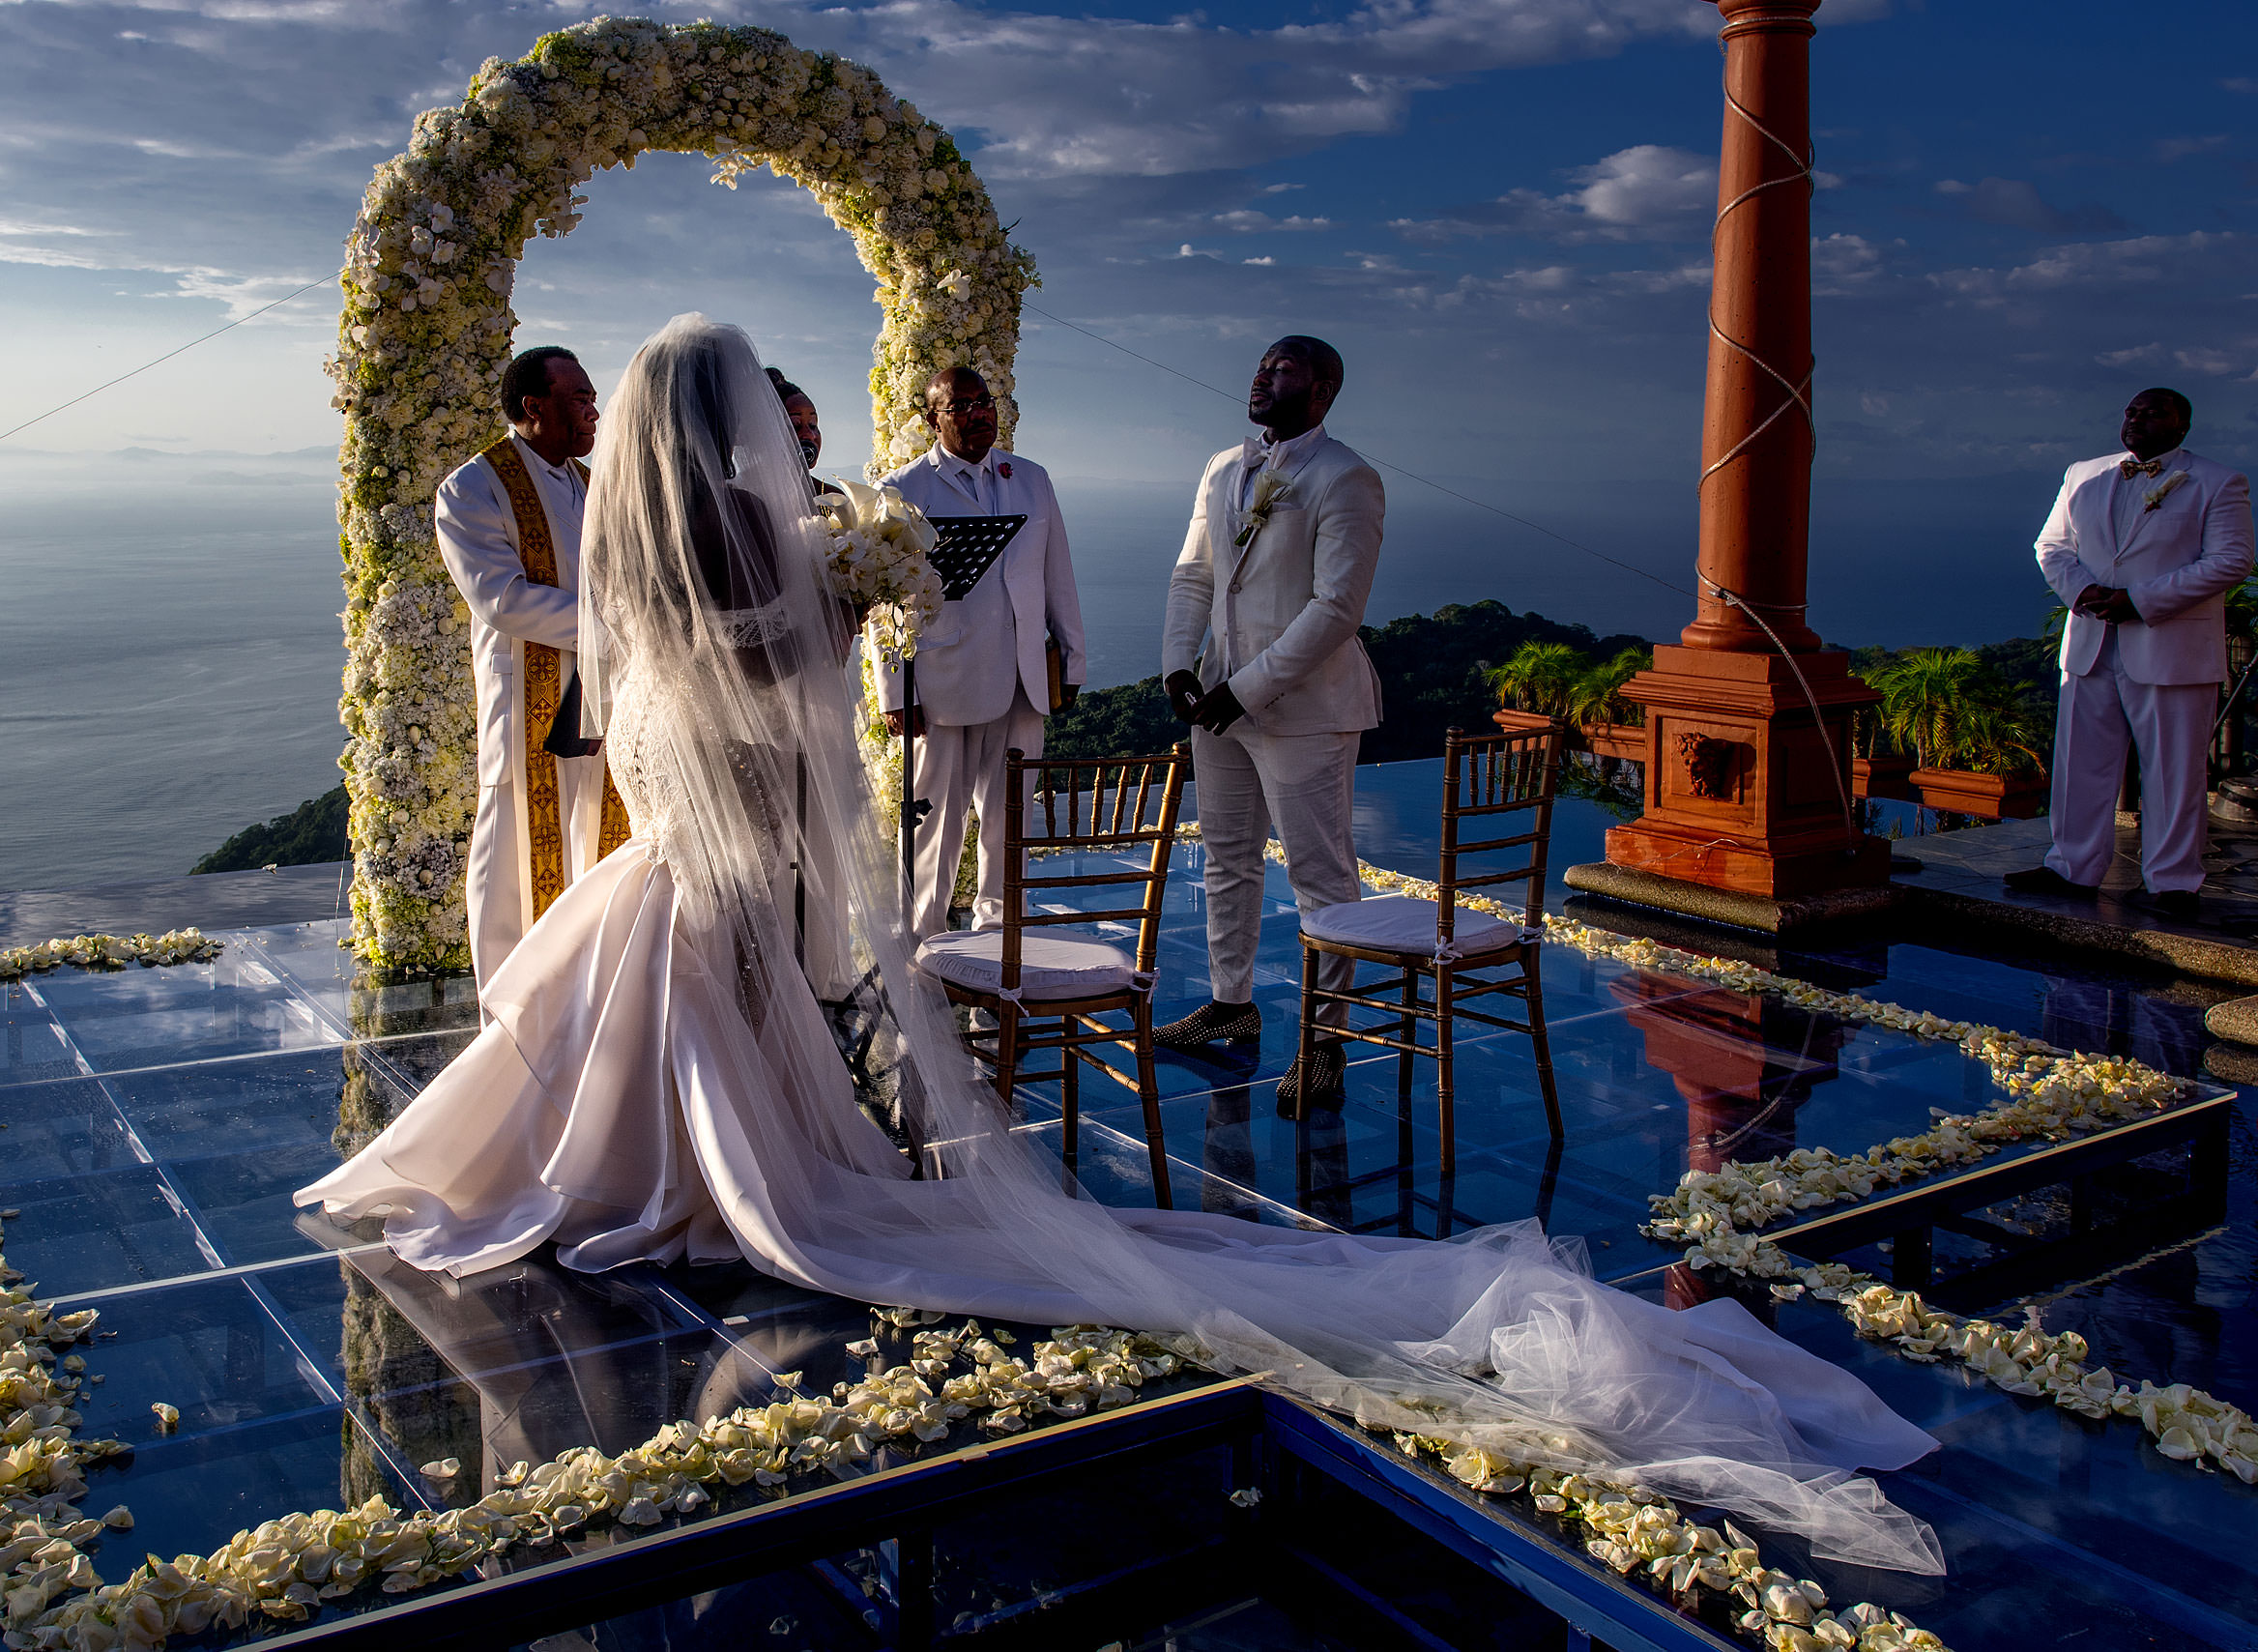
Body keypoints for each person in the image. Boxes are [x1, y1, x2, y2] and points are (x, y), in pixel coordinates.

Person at [300, 315, 1941, 1579]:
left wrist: (850, 600)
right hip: (745, 814)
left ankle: (663, 1175)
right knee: (738, 993)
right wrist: (849, 592)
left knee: (656, 991)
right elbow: (762, 661)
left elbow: (672, 674)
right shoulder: (747, 537)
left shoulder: (643, 540)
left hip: (697, 818)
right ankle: (705, 1169)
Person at [1155, 336, 1385, 1107]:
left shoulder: (1347, 478)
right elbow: (1194, 572)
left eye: (1281, 368)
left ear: (1322, 390)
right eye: (1259, 363)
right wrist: (1179, 664)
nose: (1260, 374)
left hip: (1306, 711)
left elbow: (1336, 609)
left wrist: (1248, 687)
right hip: (1219, 701)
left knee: (1320, 877)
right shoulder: (1225, 467)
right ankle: (1231, 1002)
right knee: (1227, 856)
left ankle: (1325, 1043)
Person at [2009, 388, 2253, 918]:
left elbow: (2231, 560)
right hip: (2092, 642)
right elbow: (2051, 545)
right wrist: (2083, 594)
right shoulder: (2083, 474)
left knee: (2172, 769)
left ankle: (2173, 883)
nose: (2137, 419)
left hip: (2170, 648)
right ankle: (2071, 867)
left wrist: (2141, 601)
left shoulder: (2216, 482)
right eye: (2132, 411)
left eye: (2153, 412)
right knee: (2080, 764)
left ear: (2181, 425)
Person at [434, 345, 630, 996]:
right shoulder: (474, 486)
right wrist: (616, 625)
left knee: (596, 825)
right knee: (516, 845)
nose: (594, 411)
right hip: (530, 696)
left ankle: (585, 991)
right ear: (533, 407)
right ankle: (512, 1006)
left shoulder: (591, 482)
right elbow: (502, 597)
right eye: (580, 398)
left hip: (601, 690)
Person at [872, 366, 1086, 936]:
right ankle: (925, 937)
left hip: (1023, 677)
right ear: (932, 419)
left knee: (1010, 815)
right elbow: (882, 605)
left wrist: (1072, 657)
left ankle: (999, 933)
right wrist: (895, 690)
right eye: (961, 406)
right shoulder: (903, 490)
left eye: (984, 402)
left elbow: (1056, 571)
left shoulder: (1032, 479)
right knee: (937, 818)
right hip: (944, 679)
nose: (977, 414)